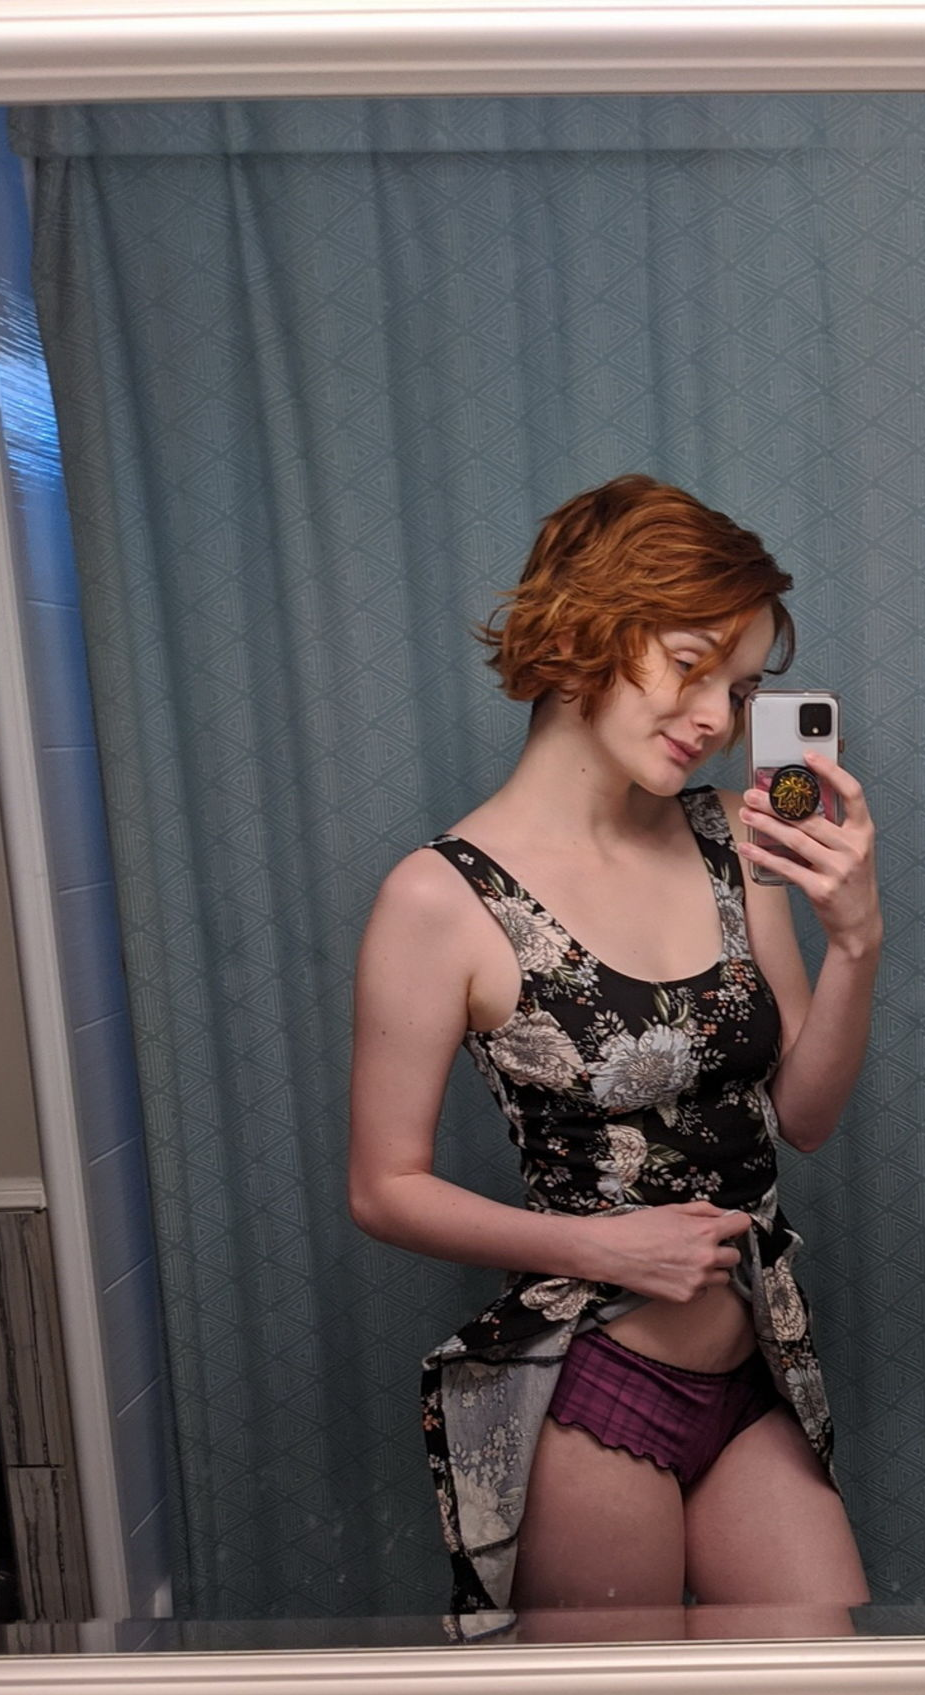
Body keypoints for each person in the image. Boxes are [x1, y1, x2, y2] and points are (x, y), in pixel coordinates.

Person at [348, 476, 880, 1629]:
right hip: (595, 1387)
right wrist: (604, 1246)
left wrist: (856, 941)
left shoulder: (730, 837)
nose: (716, 717)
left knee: (825, 1691)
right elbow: (382, 1187)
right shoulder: (441, 901)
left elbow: (805, 1115)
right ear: (587, 629)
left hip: (754, 1370)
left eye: (740, 688)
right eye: (690, 665)